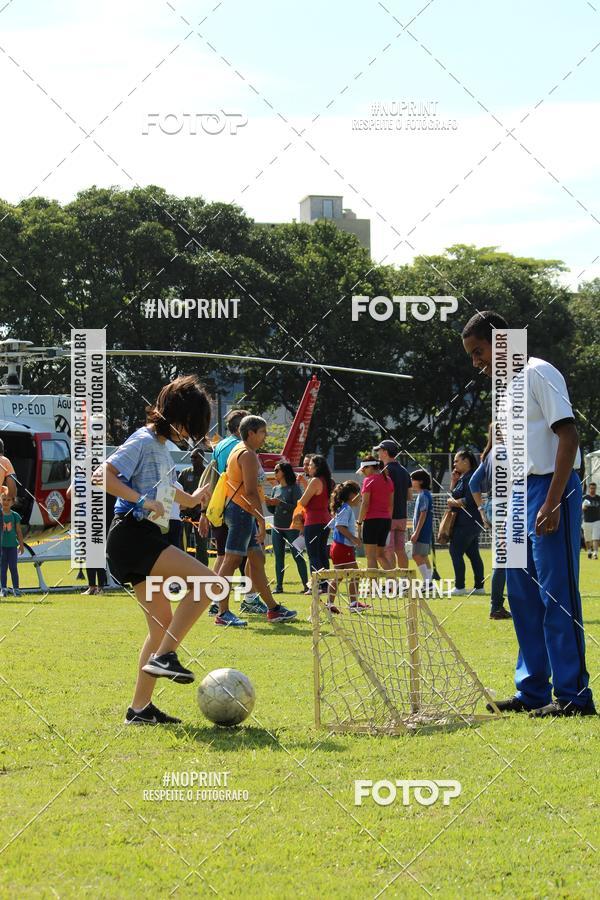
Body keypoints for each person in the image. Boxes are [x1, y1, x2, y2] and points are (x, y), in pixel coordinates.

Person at [462, 309, 595, 716]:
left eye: (479, 351)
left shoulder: (540, 372)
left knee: (556, 594)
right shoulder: (504, 390)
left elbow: (568, 434)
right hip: (517, 494)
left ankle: (573, 697)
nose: (476, 362)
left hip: (551, 487)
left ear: (501, 341)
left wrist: (553, 500)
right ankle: (532, 691)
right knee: (520, 594)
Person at [97, 375, 214, 725]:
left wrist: (192, 499)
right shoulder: (144, 439)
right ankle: (165, 657)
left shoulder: (162, 448)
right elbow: (103, 475)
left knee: (161, 625)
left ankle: (139, 709)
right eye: (189, 426)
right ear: (177, 416)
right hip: (134, 537)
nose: (189, 434)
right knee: (210, 584)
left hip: (147, 539)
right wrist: (142, 500)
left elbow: (167, 490)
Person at [217, 416, 297, 625]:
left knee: (257, 560)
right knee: (231, 561)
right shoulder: (247, 455)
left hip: (240, 510)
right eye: (262, 432)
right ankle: (222, 612)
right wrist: (262, 521)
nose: (265, 436)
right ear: (250, 433)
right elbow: (251, 491)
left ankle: (273, 608)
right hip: (242, 512)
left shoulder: (241, 451)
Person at [198, 409, 249, 574]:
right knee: (244, 556)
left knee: (222, 555)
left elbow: (212, 477)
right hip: (238, 504)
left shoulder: (219, 446)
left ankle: (213, 595)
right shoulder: (242, 447)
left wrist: (204, 512)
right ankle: (249, 596)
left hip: (219, 505)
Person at [469, 424, 511, 620]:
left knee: (502, 559)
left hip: (493, 505)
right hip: (507, 505)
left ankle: (497, 606)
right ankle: (497, 606)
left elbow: (472, 483)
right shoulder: (507, 451)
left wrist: (481, 509)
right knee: (507, 560)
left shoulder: (488, 455)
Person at [265, 461, 308, 593]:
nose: (275, 473)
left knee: (297, 556)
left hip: (292, 528)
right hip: (277, 527)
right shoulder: (275, 489)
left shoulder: (294, 488)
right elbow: (272, 510)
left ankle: (307, 585)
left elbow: (298, 508)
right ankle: (279, 586)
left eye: (277, 470)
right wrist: (269, 503)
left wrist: (280, 503)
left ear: (284, 472)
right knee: (279, 557)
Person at [447, 449, 485, 597]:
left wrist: (452, 502)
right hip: (469, 523)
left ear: (466, 461)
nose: (454, 463)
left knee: (455, 551)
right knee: (473, 554)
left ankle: (460, 586)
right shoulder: (463, 477)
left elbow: (468, 501)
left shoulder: (471, 478)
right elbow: (455, 494)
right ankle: (479, 586)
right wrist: (454, 481)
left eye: (456, 460)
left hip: (466, 523)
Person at [326, 480, 367, 612]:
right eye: (358, 493)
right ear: (351, 495)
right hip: (343, 547)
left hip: (338, 547)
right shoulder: (347, 509)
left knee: (338, 576)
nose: (361, 497)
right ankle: (353, 603)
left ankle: (330, 604)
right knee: (355, 574)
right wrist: (353, 538)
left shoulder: (342, 508)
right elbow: (339, 526)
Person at [299, 454, 335, 593]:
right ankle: (325, 585)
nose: (308, 467)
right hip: (324, 521)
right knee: (321, 554)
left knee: (313, 555)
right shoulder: (326, 481)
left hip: (313, 521)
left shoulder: (315, 481)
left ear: (317, 467)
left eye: (310, 465)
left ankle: (318, 585)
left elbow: (303, 501)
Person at [374, 440, 412, 568]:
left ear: (385, 452)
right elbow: (409, 496)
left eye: (379, 450)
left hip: (388, 518)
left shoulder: (384, 471)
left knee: (388, 551)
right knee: (400, 550)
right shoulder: (404, 471)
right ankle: (404, 582)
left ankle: (392, 584)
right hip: (402, 517)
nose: (378, 453)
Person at [356, 457, 394, 570]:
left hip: (372, 521)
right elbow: (391, 505)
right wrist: (388, 520)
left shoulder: (368, 481)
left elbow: (365, 504)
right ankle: (393, 583)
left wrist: (359, 522)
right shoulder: (389, 480)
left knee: (370, 557)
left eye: (364, 469)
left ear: (371, 467)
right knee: (380, 555)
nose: (362, 472)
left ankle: (373, 587)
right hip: (386, 521)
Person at [179, 448, 209, 565]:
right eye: (191, 457)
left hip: (201, 513)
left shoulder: (207, 474)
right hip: (185, 513)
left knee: (201, 544)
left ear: (202, 458)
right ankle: (182, 568)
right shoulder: (185, 473)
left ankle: (202, 570)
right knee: (182, 543)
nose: (192, 459)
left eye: (195, 457)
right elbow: (178, 490)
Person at [410, 470, 434, 587]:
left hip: (422, 532)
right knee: (423, 556)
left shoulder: (424, 495)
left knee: (416, 555)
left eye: (413, 480)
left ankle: (427, 582)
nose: (411, 482)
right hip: (425, 531)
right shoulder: (424, 494)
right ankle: (429, 581)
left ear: (420, 481)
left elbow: (423, 514)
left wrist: (416, 533)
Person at [1, 494, 24, 597]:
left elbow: (19, 531)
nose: (6, 502)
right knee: (2, 568)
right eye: (4, 499)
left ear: (12, 502)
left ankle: (16, 589)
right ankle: (3, 589)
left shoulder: (15, 515)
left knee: (13, 568)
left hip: (12, 547)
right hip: (1, 547)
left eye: (8, 500)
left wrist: (21, 545)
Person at [582, 482, 600, 559]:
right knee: (587, 539)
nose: (593, 489)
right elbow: (581, 508)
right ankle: (589, 551)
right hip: (587, 520)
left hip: (597, 520)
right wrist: (583, 508)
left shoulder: (598, 498)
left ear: (596, 489)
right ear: (589, 489)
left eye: (594, 488)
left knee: (595, 537)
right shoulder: (585, 498)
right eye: (591, 488)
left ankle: (595, 553)